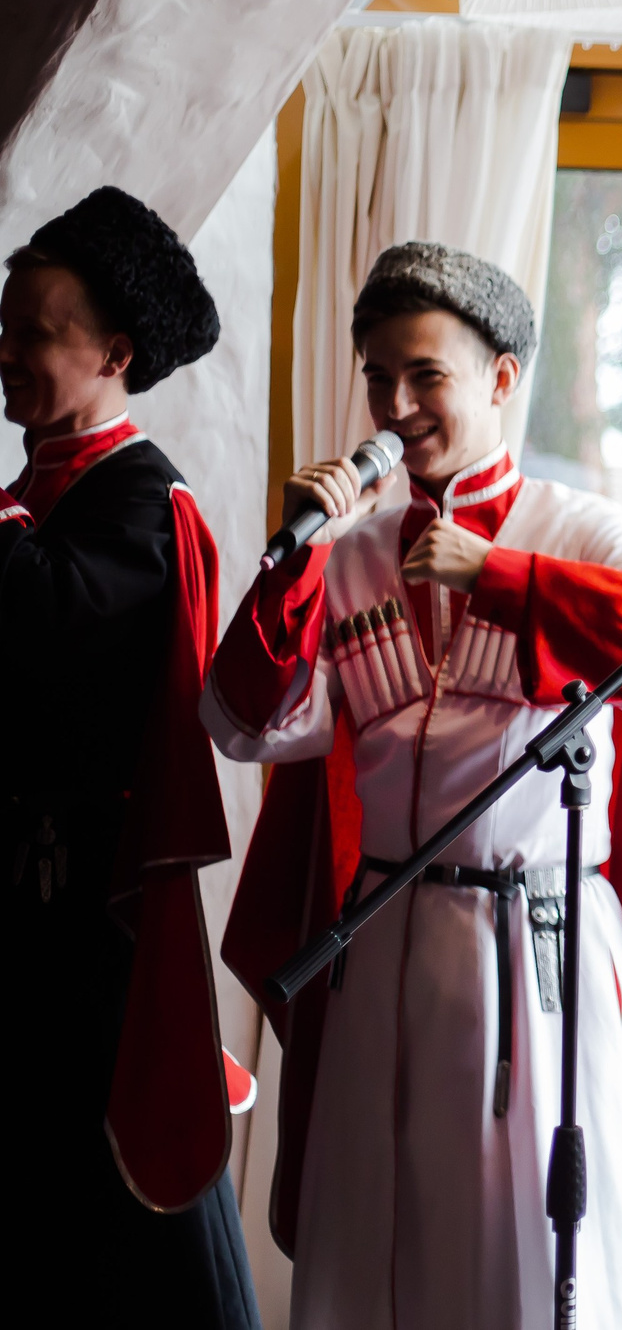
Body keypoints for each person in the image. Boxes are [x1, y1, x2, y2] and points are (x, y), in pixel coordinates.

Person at [208, 241, 622, 1330]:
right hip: (383, 932)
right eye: (378, 379)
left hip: (531, 941)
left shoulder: (579, 531)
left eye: (426, 376)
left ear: (500, 378)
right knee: (375, 1226)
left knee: (529, 1249)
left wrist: (497, 574)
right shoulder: (349, 554)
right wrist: (293, 566)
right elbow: (246, 728)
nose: (396, 406)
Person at [0, 186, 259, 1329]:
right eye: (1, 333)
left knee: (114, 1203)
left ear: (114, 353)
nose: (5, 359)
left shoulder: (142, 501)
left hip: (87, 910)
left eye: (33, 337)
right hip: (21, 897)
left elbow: (46, 630)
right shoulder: (36, 497)